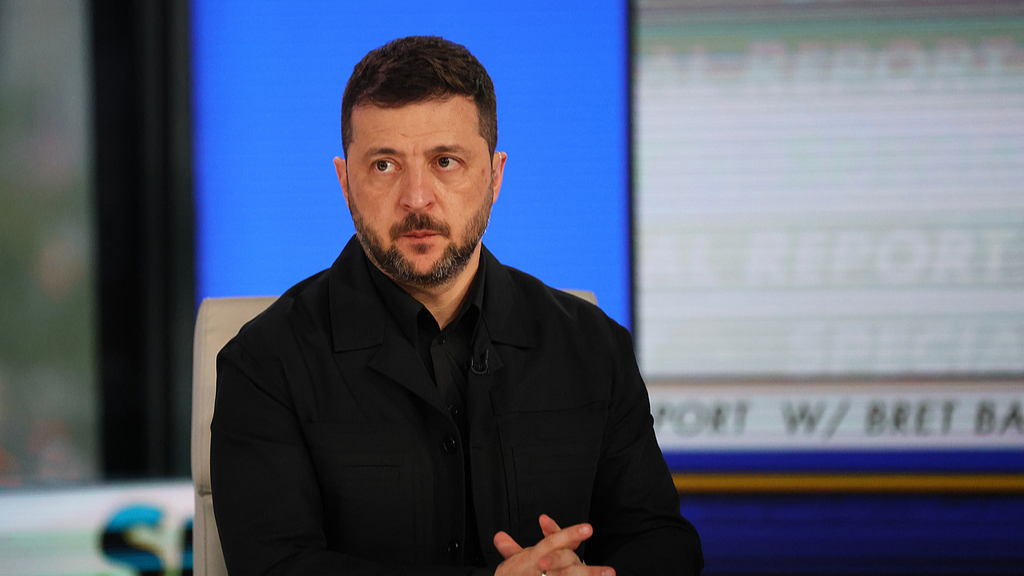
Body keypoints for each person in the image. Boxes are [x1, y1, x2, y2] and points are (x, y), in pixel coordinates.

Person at [210, 35, 703, 576]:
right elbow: (275, 566)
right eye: (384, 165)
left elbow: (662, 542)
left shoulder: (594, 346)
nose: (416, 198)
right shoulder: (264, 363)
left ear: (495, 176)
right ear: (345, 182)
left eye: (446, 161)